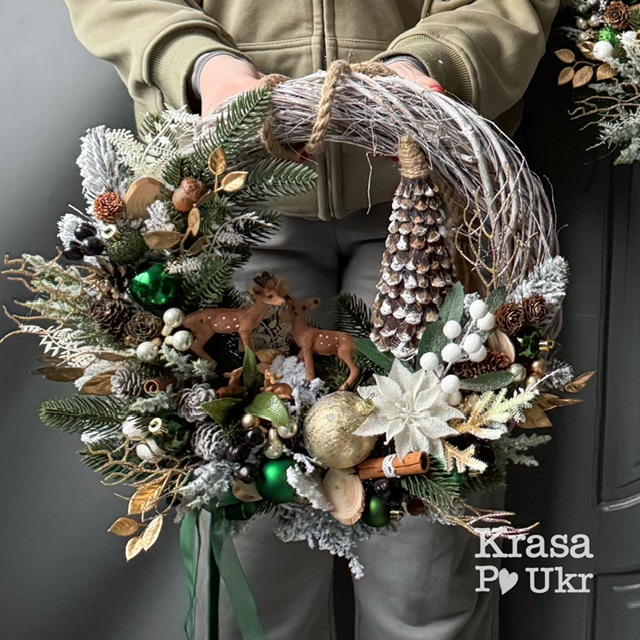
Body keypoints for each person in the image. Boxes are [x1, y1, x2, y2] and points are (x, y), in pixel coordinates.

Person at [65, 2, 559, 639]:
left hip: (430, 194)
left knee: (425, 563)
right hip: (229, 198)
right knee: (252, 549)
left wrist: (430, 61)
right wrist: (201, 64)